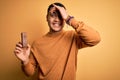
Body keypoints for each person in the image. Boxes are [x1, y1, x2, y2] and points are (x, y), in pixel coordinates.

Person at [14, 2, 101, 80]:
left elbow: (95, 39)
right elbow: (29, 73)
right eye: (53, 15)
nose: (56, 19)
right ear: (47, 18)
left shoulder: (73, 37)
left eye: (60, 16)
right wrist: (25, 61)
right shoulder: (37, 43)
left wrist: (69, 18)